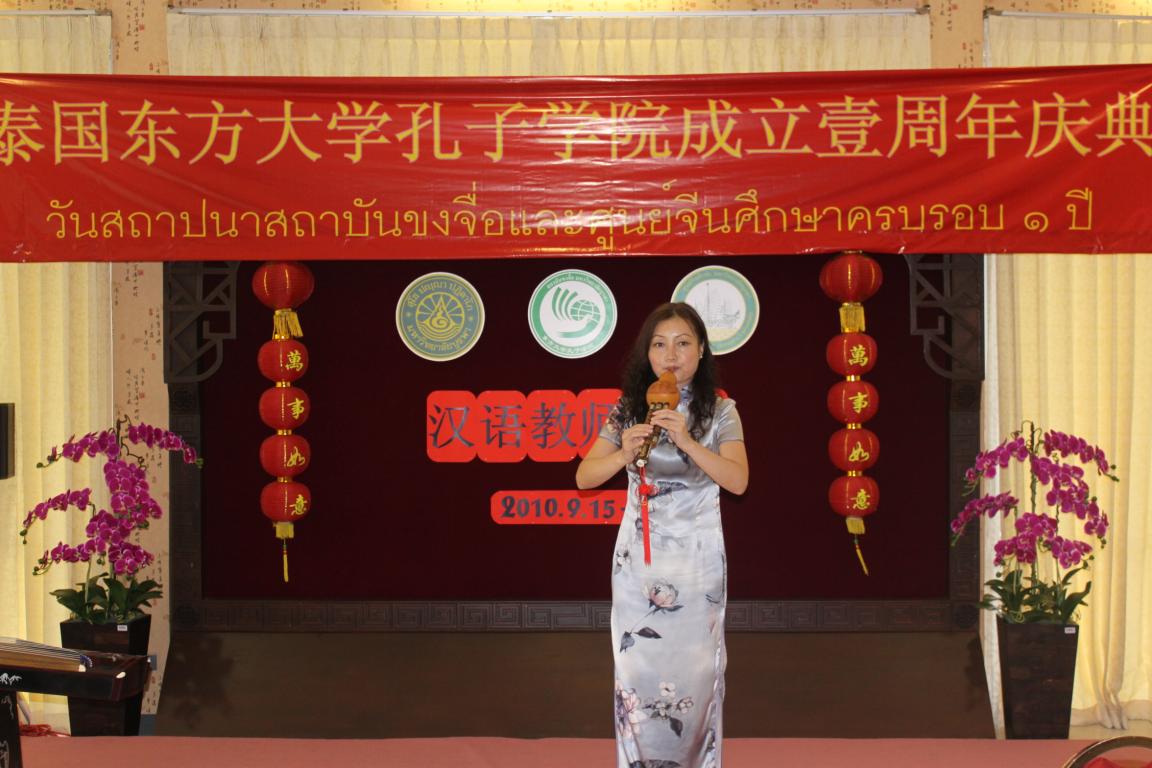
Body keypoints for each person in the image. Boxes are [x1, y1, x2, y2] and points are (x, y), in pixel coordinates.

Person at [576, 301, 748, 768]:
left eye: (682, 343)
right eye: (659, 345)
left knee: (697, 676)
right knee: (638, 675)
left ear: (702, 350)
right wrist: (623, 453)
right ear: (647, 354)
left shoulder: (721, 411)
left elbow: (738, 481)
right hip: (639, 565)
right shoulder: (628, 410)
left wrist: (688, 440)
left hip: (696, 564)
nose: (670, 356)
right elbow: (584, 477)